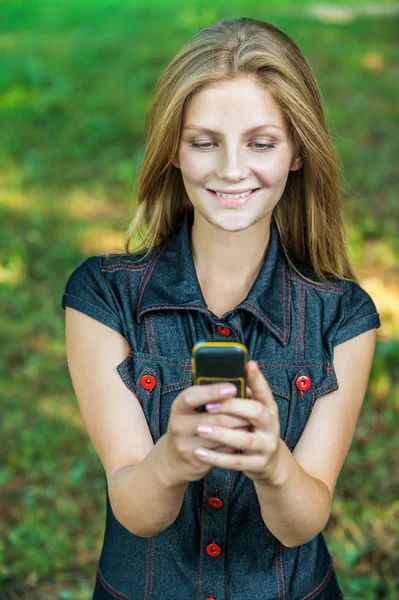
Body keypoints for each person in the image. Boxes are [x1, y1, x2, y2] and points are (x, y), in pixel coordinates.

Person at [62, 17, 381, 600]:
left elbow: (303, 520)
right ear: (174, 153)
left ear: (297, 154)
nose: (232, 169)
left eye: (261, 143)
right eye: (204, 142)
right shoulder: (102, 298)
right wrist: (172, 458)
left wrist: (272, 465)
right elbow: (135, 509)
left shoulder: (343, 316)